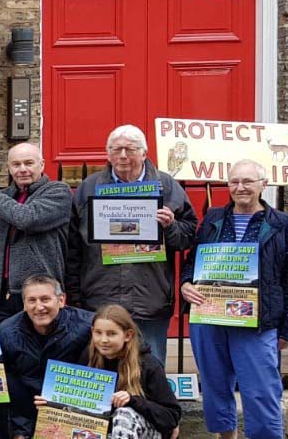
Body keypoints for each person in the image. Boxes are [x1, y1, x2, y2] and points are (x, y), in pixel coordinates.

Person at [183, 159, 288, 439]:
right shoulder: (214, 218)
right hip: (210, 316)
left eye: (248, 181)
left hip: (258, 322)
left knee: (261, 388)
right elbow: (193, 262)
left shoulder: (278, 224)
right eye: (234, 182)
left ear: (264, 184)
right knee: (217, 384)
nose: (240, 188)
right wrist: (186, 283)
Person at [67, 125, 197, 364]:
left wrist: (170, 227)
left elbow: (188, 237)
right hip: (100, 295)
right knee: (102, 368)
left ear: (144, 153)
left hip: (150, 298)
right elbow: (73, 245)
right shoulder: (89, 187)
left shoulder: (166, 186)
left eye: (130, 149)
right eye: (116, 149)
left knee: (150, 367)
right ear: (108, 154)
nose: (123, 155)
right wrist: (75, 295)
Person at [67, 305, 181, 439]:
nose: (104, 340)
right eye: (98, 333)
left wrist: (134, 400)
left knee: (125, 414)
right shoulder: (89, 358)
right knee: (71, 423)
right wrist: (52, 404)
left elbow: (172, 415)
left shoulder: (148, 364)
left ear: (128, 335)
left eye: (111, 334)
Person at [0, 274, 93, 439]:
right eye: (32, 300)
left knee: (102, 375)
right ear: (24, 304)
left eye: (45, 299)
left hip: (70, 396)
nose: (39, 306)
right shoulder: (8, 330)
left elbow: (134, 348)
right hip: (28, 397)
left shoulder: (88, 325)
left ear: (61, 300)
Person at [0, 142, 71, 323]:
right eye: (16, 164)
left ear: (41, 165)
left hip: (39, 295)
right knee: (4, 348)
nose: (23, 169)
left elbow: (27, 218)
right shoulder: (2, 199)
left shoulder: (58, 192)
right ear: (9, 168)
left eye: (29, 163)